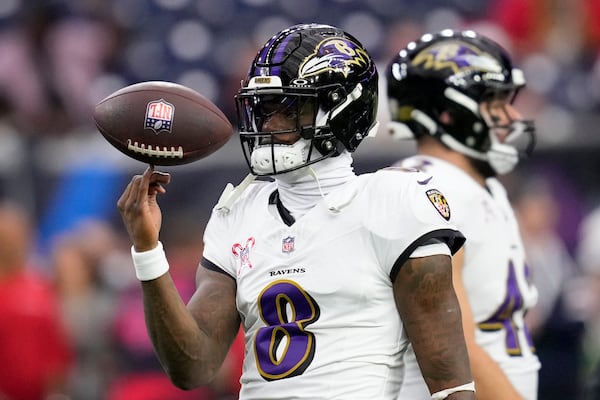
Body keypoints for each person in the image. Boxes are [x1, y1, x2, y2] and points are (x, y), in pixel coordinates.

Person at [117, 23, 476, 399]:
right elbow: (192, 365)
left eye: (288, 109)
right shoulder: (238, 212)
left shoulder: (392, 201)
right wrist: (147, 250)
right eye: (264, 109)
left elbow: (452, 386)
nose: (268, 123)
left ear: (342, 110)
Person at [386, 29, 540, 399]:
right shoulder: (432, 189)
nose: (512, 115)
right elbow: (455, 348)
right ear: (450, 113)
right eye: (496, 103)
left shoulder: (479, 186)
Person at [0, 201, 74, 400]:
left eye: (16, 236)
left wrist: (56, 391)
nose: (11, 244)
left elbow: (56, 346)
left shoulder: (41, 286)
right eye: (5, 237)